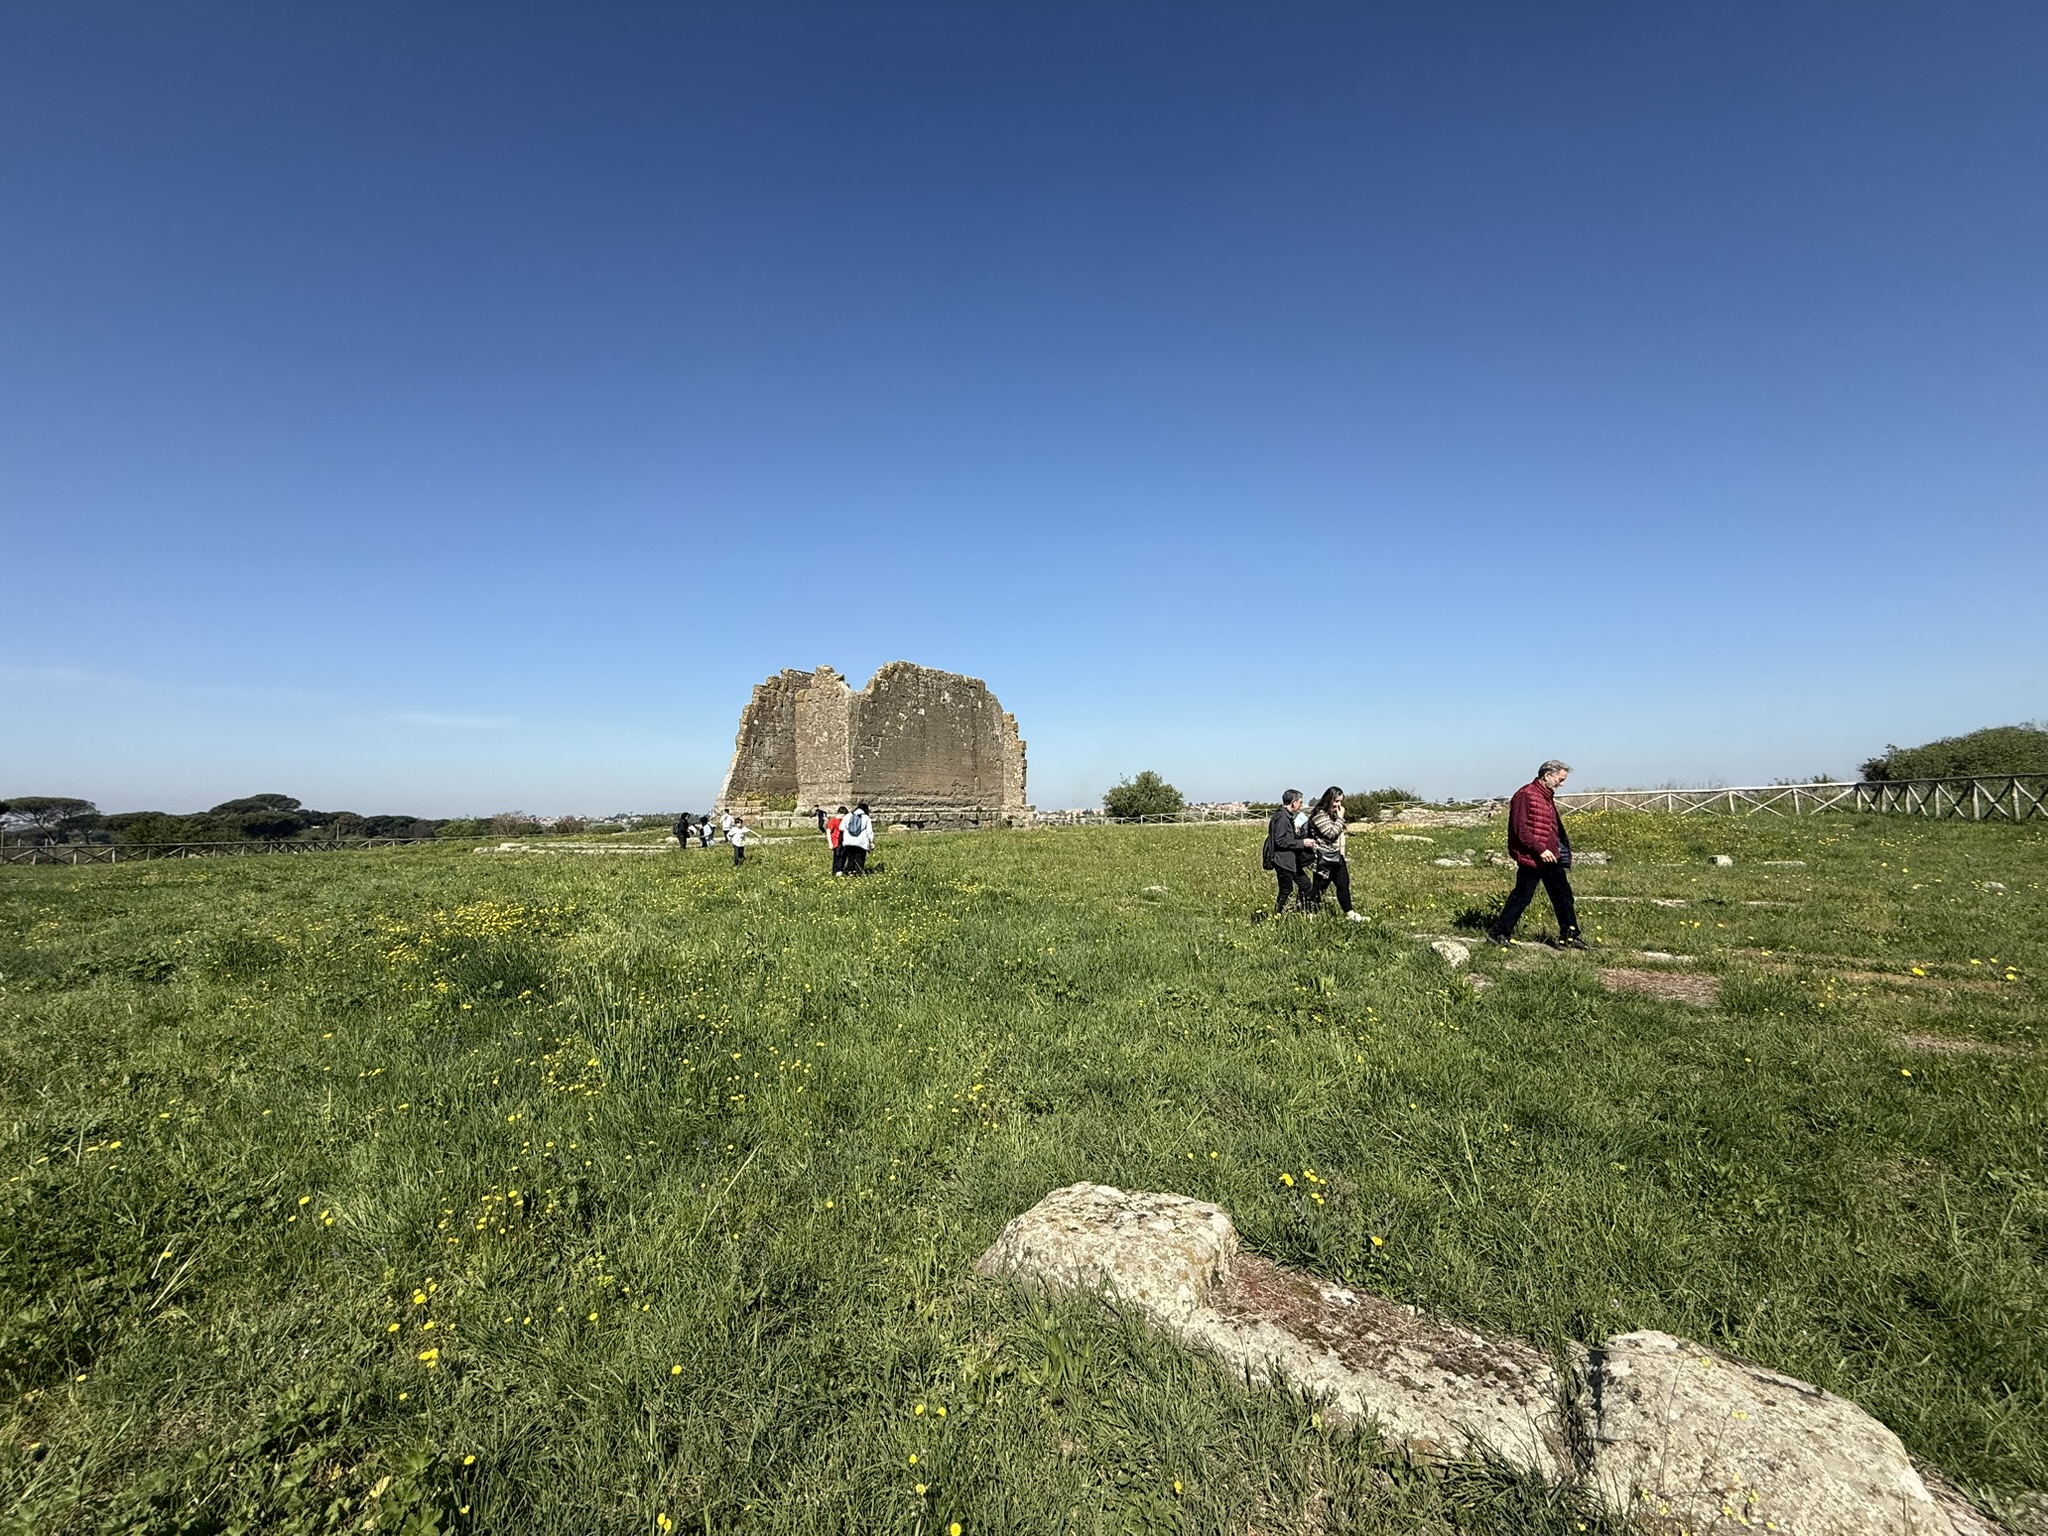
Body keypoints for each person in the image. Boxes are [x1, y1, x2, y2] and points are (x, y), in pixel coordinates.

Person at [1487, 759, 1586, 948]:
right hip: (1533, 857)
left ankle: (1570, 937)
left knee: (1563, 896)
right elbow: (1520, 829)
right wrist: (1540, 850)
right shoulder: (1525, 795)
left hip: (1551, 857)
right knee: (1522, 897)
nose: (1562, 783)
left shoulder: (1546, 796)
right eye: (1560, 779)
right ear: (1547, 775)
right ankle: (1498, 934)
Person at [1306, 787, 1365, 921]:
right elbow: (1331, 834)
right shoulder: (1319, 815)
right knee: (1319, 887)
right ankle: (1310, 914)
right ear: (1329, 799)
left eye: (1340, 802)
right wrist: (1340, 818)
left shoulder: (1332, 815)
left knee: (1343, 884)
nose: (1338, 805)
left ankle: (1349, 913)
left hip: (1337, 856)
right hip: (1323, 858)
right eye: (1336, 801)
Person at [1262, 790, 1315, 914]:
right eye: (1300, 802)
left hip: (1292, 860)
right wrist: (1302, 843)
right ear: (1293, 802)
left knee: (1306, 885)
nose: (1301, 805)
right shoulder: (1281, 817)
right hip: (1283, 861)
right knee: (1286, 891)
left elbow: (1286, 837)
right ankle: (1278, 916)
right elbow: (1279, 841)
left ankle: (1301, 909)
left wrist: (1296, 833)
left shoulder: (1286, 816)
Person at [839, 801, 873, 875]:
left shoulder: (847, 816)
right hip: (861, 842)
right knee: (860, 859)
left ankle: (849, 873)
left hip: (848, 842)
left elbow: (841, 828)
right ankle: (859, 874)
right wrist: (871, 841)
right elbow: (869, 832)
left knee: (850, 858)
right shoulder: (866, 818)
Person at [827, 805, 848, 875]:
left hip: (842, 841)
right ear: (839, 813)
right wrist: (830, 843)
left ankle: (840, 870)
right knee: (837, 857)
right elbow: (828, 831)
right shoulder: (833, 821)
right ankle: (836, 871)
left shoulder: (842, 821)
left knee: (843, 856)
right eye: (843, 815)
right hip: (835, 841)